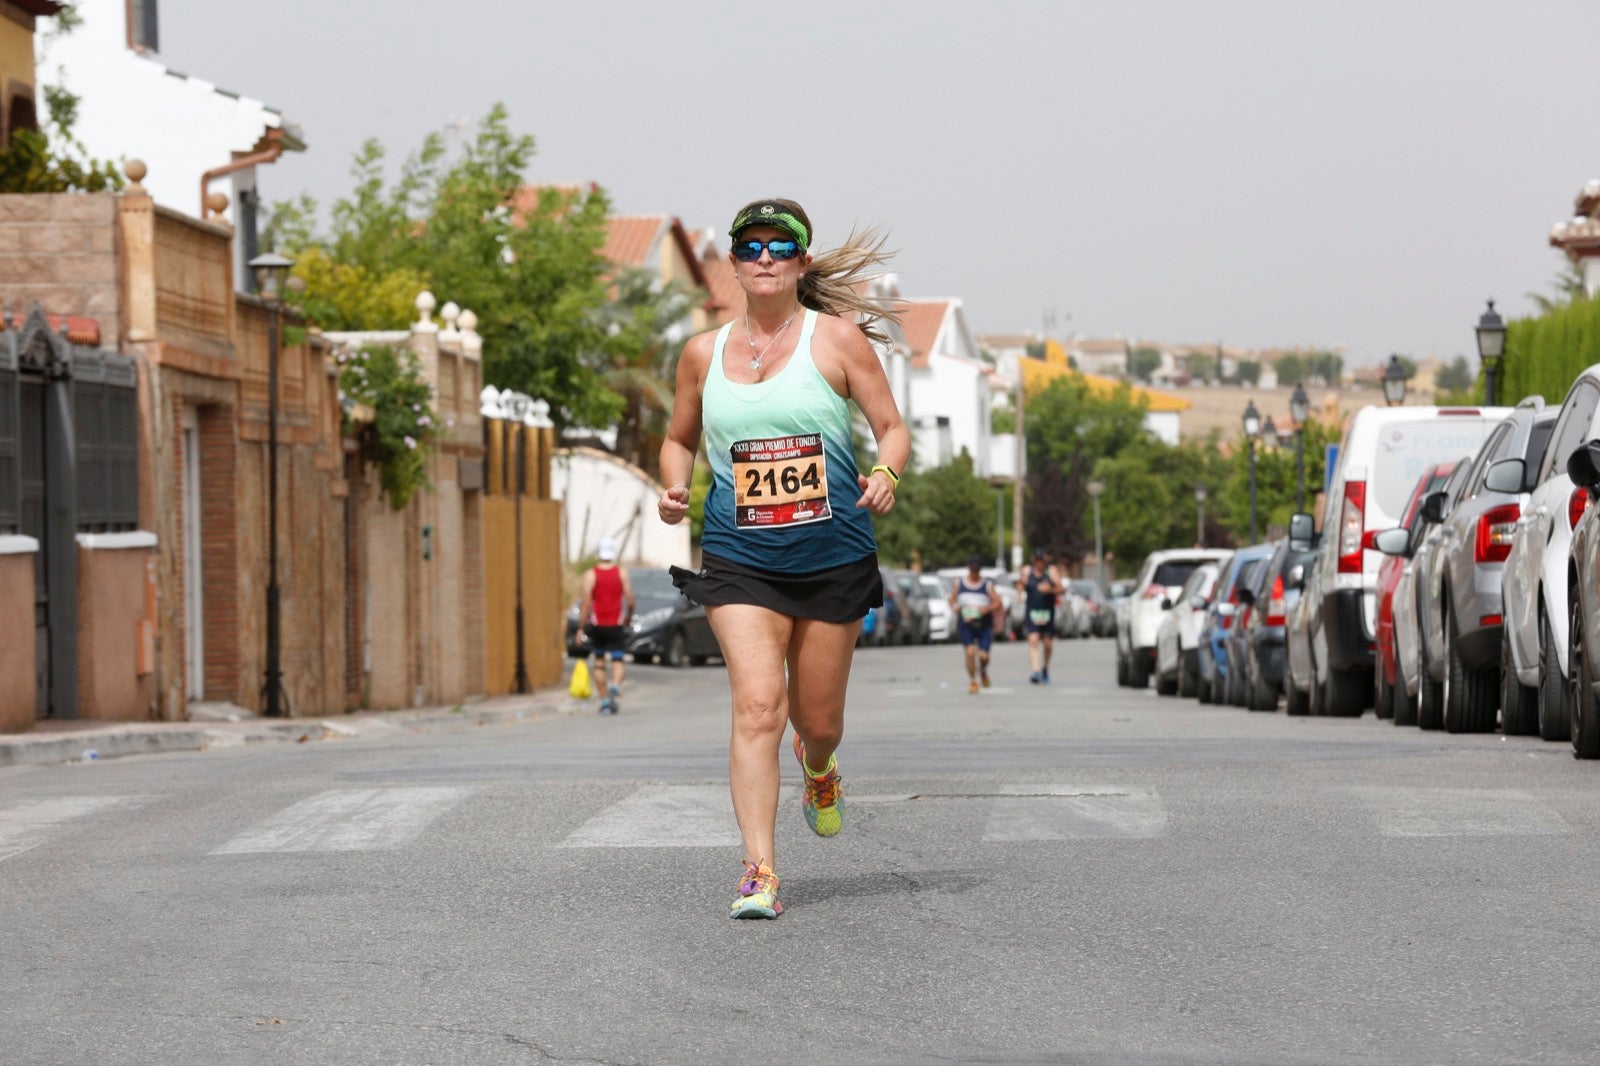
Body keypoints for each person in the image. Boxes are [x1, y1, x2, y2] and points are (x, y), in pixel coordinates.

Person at [658, 197, 909, 919]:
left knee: (816, 721)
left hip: (832, 555)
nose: (764, 257)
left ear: (801, 262)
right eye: (750, 246)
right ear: (734, 262)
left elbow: (891, 429)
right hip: (740, 558)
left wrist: (885, 475)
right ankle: (758, 871)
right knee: (759, 706)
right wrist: (675, 485)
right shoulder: (702, 353)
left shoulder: (836, 342)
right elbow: (679, 437)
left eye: (780, 246)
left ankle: (821, 768)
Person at [576, 537, 635, 714]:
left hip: (597, 624)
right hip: (616, 623)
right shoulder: (621, 573)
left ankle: (603, 702)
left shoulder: (590, 574)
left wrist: (580, 627)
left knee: (599, 663)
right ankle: (615, 685)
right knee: (618, 659)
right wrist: (628, 617)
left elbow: (586, 603)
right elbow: (630, 600)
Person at [951, 554, 1004, 694]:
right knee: (970, 652)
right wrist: (955, 606)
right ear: (968, 568)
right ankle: (973, 681)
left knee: (983, 656)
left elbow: (998, 602)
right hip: (966, 623)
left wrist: (986, 609)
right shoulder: (959, 583)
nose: (974, 572)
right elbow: (951, 599)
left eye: (977, 569)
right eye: (972, 569)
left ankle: (983, 670)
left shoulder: (987, 585)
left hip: (984, 624)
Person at [1017, 547, 1064, 683]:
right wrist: (1020, 591)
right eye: (1037, 561)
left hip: (1047, 612)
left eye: (1041, 561)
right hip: (1032, 611)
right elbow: (1020, 585)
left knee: (1048, 644)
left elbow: (1061, 589)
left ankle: (1045, 668)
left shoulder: (1051, 572)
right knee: (1033, 639)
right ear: (1034, 561)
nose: (1039, 563)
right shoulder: (1027, 571)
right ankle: (1036, 671)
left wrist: (1049, 589)